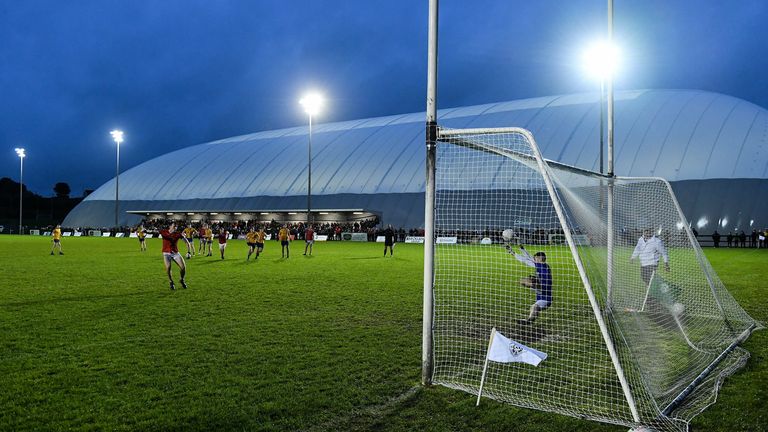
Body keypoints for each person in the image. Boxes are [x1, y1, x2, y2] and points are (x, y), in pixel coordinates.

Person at [507, 244, 552, 324]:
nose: (534, 259)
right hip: (541, 291)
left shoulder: (540, 266)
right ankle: (529, 320)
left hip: (544, 295)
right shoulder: (543, 265)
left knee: (534, 306)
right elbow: (529, 258)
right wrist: (522, 249)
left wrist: (512, 253)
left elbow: (525, 260)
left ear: (539, 258)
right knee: (523, 281)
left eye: (535, 258)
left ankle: (529, 321)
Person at [159, 223, 188, 290]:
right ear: (170, 226)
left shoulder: (177, 234)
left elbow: (186, 242)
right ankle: (171, 282)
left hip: (175, 253)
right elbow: (152, 231)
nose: (176, 227)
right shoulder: (164, 232)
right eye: (174, 226)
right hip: (166, 253)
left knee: (183, 267)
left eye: (176, 226)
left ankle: (182, 280)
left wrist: (188, 251)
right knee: (168, 268)